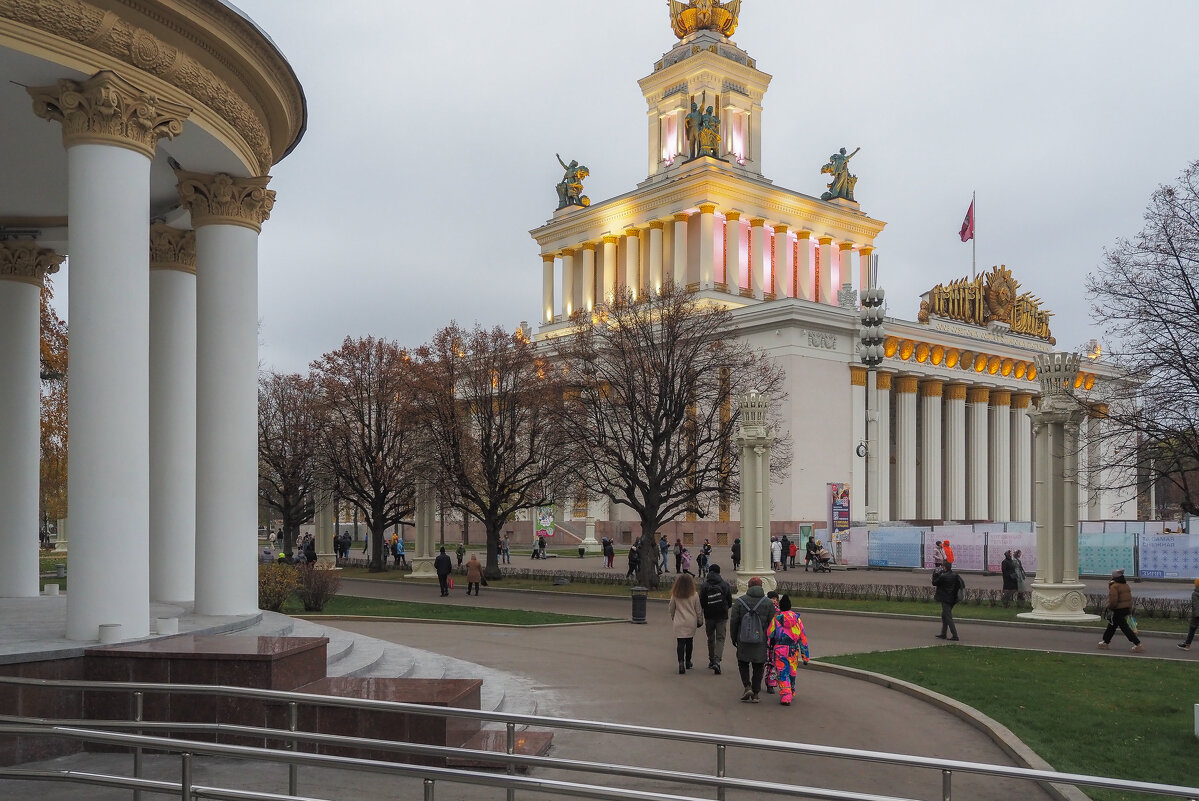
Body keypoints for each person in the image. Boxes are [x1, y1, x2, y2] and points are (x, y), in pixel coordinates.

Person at [729, 577, 774, 703]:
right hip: (760, 640)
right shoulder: (768, 603)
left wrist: (734, 637)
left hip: (743, 639)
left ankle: (747, 686)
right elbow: (772, 625)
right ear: (761, 587)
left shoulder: (740, 602)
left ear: (748, 587)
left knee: (743, 663)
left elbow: (734, 622)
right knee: (758, 666)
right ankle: (756, 692)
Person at [766, 595, 810, 706]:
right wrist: (805, 656)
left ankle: (786, 694)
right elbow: (802, 637)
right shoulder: (797, 619)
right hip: (793, 650)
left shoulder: (777, 618)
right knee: (792, 671)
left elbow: (769, 633)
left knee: (782, 672)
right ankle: (792, 689)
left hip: (780, 649)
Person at [698, 563, 733, 675]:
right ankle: (717, 661)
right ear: (719, 572)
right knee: (720, 638)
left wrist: (706, 609)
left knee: (710, 638)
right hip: (722, 615)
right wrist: (725, 607)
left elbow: (701, 601)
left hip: (709, 615)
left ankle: (711, 659)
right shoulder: (724, 584)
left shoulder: (704, 585)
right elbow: (729, 601)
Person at [1099, 569, 1144, 652]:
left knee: (1124, 628)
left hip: (1117, 610)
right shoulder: (1126, 585)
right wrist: (1129, 610)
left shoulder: (1114, 586)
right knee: (1112, 626)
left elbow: (1113, 600)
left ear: (1114, 577)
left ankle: (1138, 644)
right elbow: (1129, 599)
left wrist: (1109, 607)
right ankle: (1105, 642)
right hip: (1125, 609)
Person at [668, 573, 703, 674]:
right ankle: (688, 661)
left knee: (680, 642)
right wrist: (700, 621)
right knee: (689, 642)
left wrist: (673, 617)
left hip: (679, 621)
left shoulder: (675, 594)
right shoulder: (694, 595)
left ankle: (680, 663)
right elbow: (698, 610)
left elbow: (671, 607)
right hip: (690, 621)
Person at [932, 562, 963, 641]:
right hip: (953, 598)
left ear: (944, 567)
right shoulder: (955, 575)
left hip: (946, 599)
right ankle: (943, 633)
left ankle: (955, 635)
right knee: (944, 616)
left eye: (942, 567)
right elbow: (961, 585)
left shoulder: (943, 576)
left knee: (948, 617)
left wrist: (935, 573)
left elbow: (934, 582)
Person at [1178, 577, 1199, 650]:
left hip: (1196, 616)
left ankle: (1187, 645)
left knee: (1192, 629)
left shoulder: (1195, 594)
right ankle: (1187, 644)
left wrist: (1196, 616)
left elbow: (1196, 605)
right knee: (1192, 629)